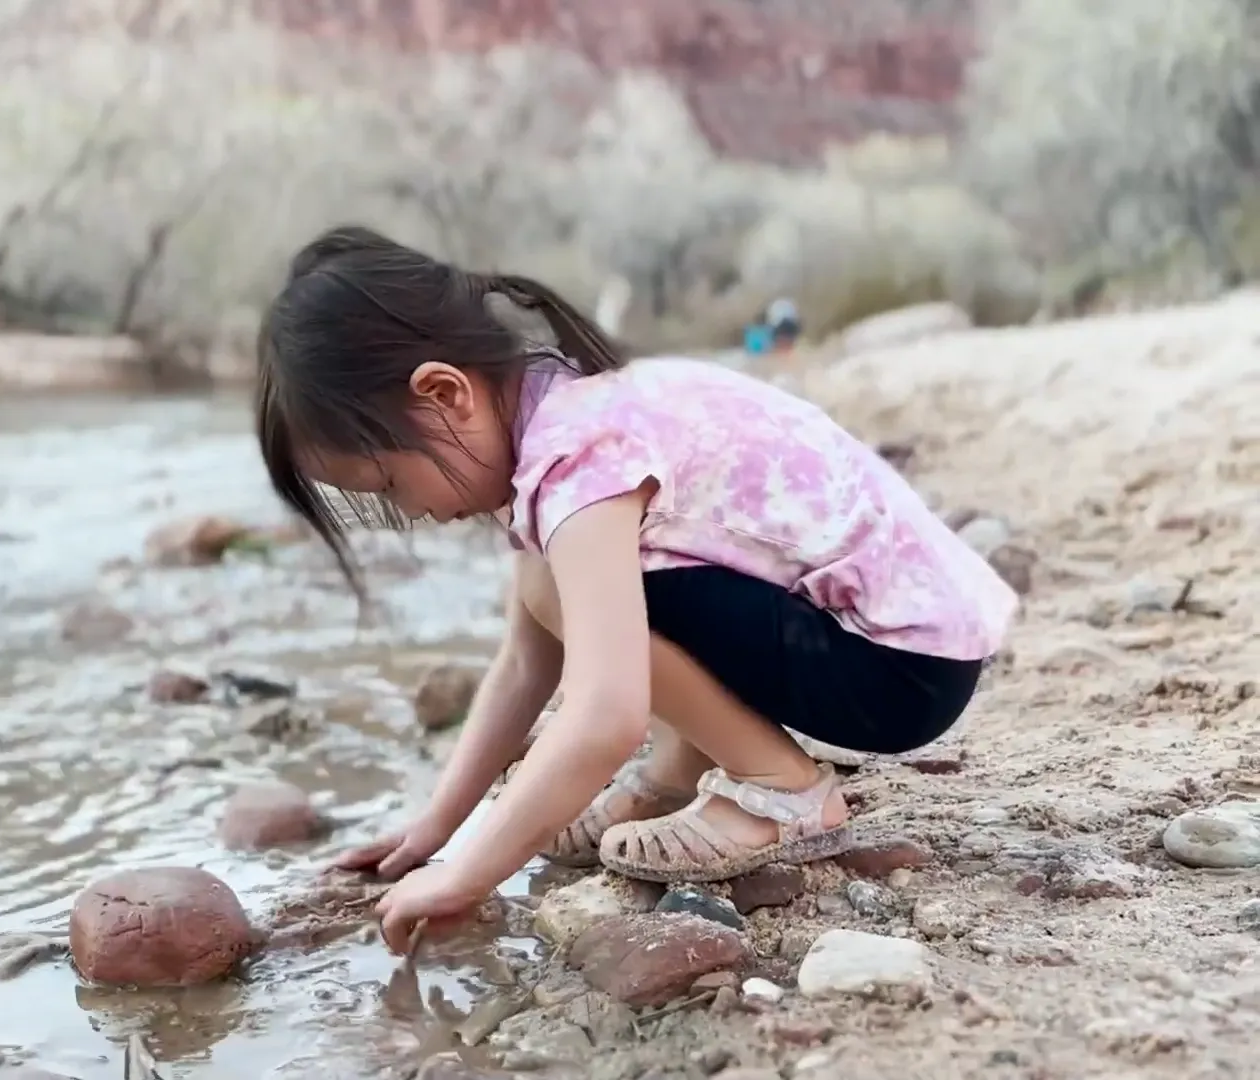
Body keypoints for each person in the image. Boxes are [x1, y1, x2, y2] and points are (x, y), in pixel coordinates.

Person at [253, 226, 1017, 954]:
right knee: (562, 591)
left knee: (566, 591)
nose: (411, 513)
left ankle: (784, 789)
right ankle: (679, 774)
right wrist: (436, 830)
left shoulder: (577, 461)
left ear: (447, 394)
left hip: (895, 670)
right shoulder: (570, 407)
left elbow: (604, 713)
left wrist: (467, 878)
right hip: (904, 643)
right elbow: (525, 665)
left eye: (390, 483)